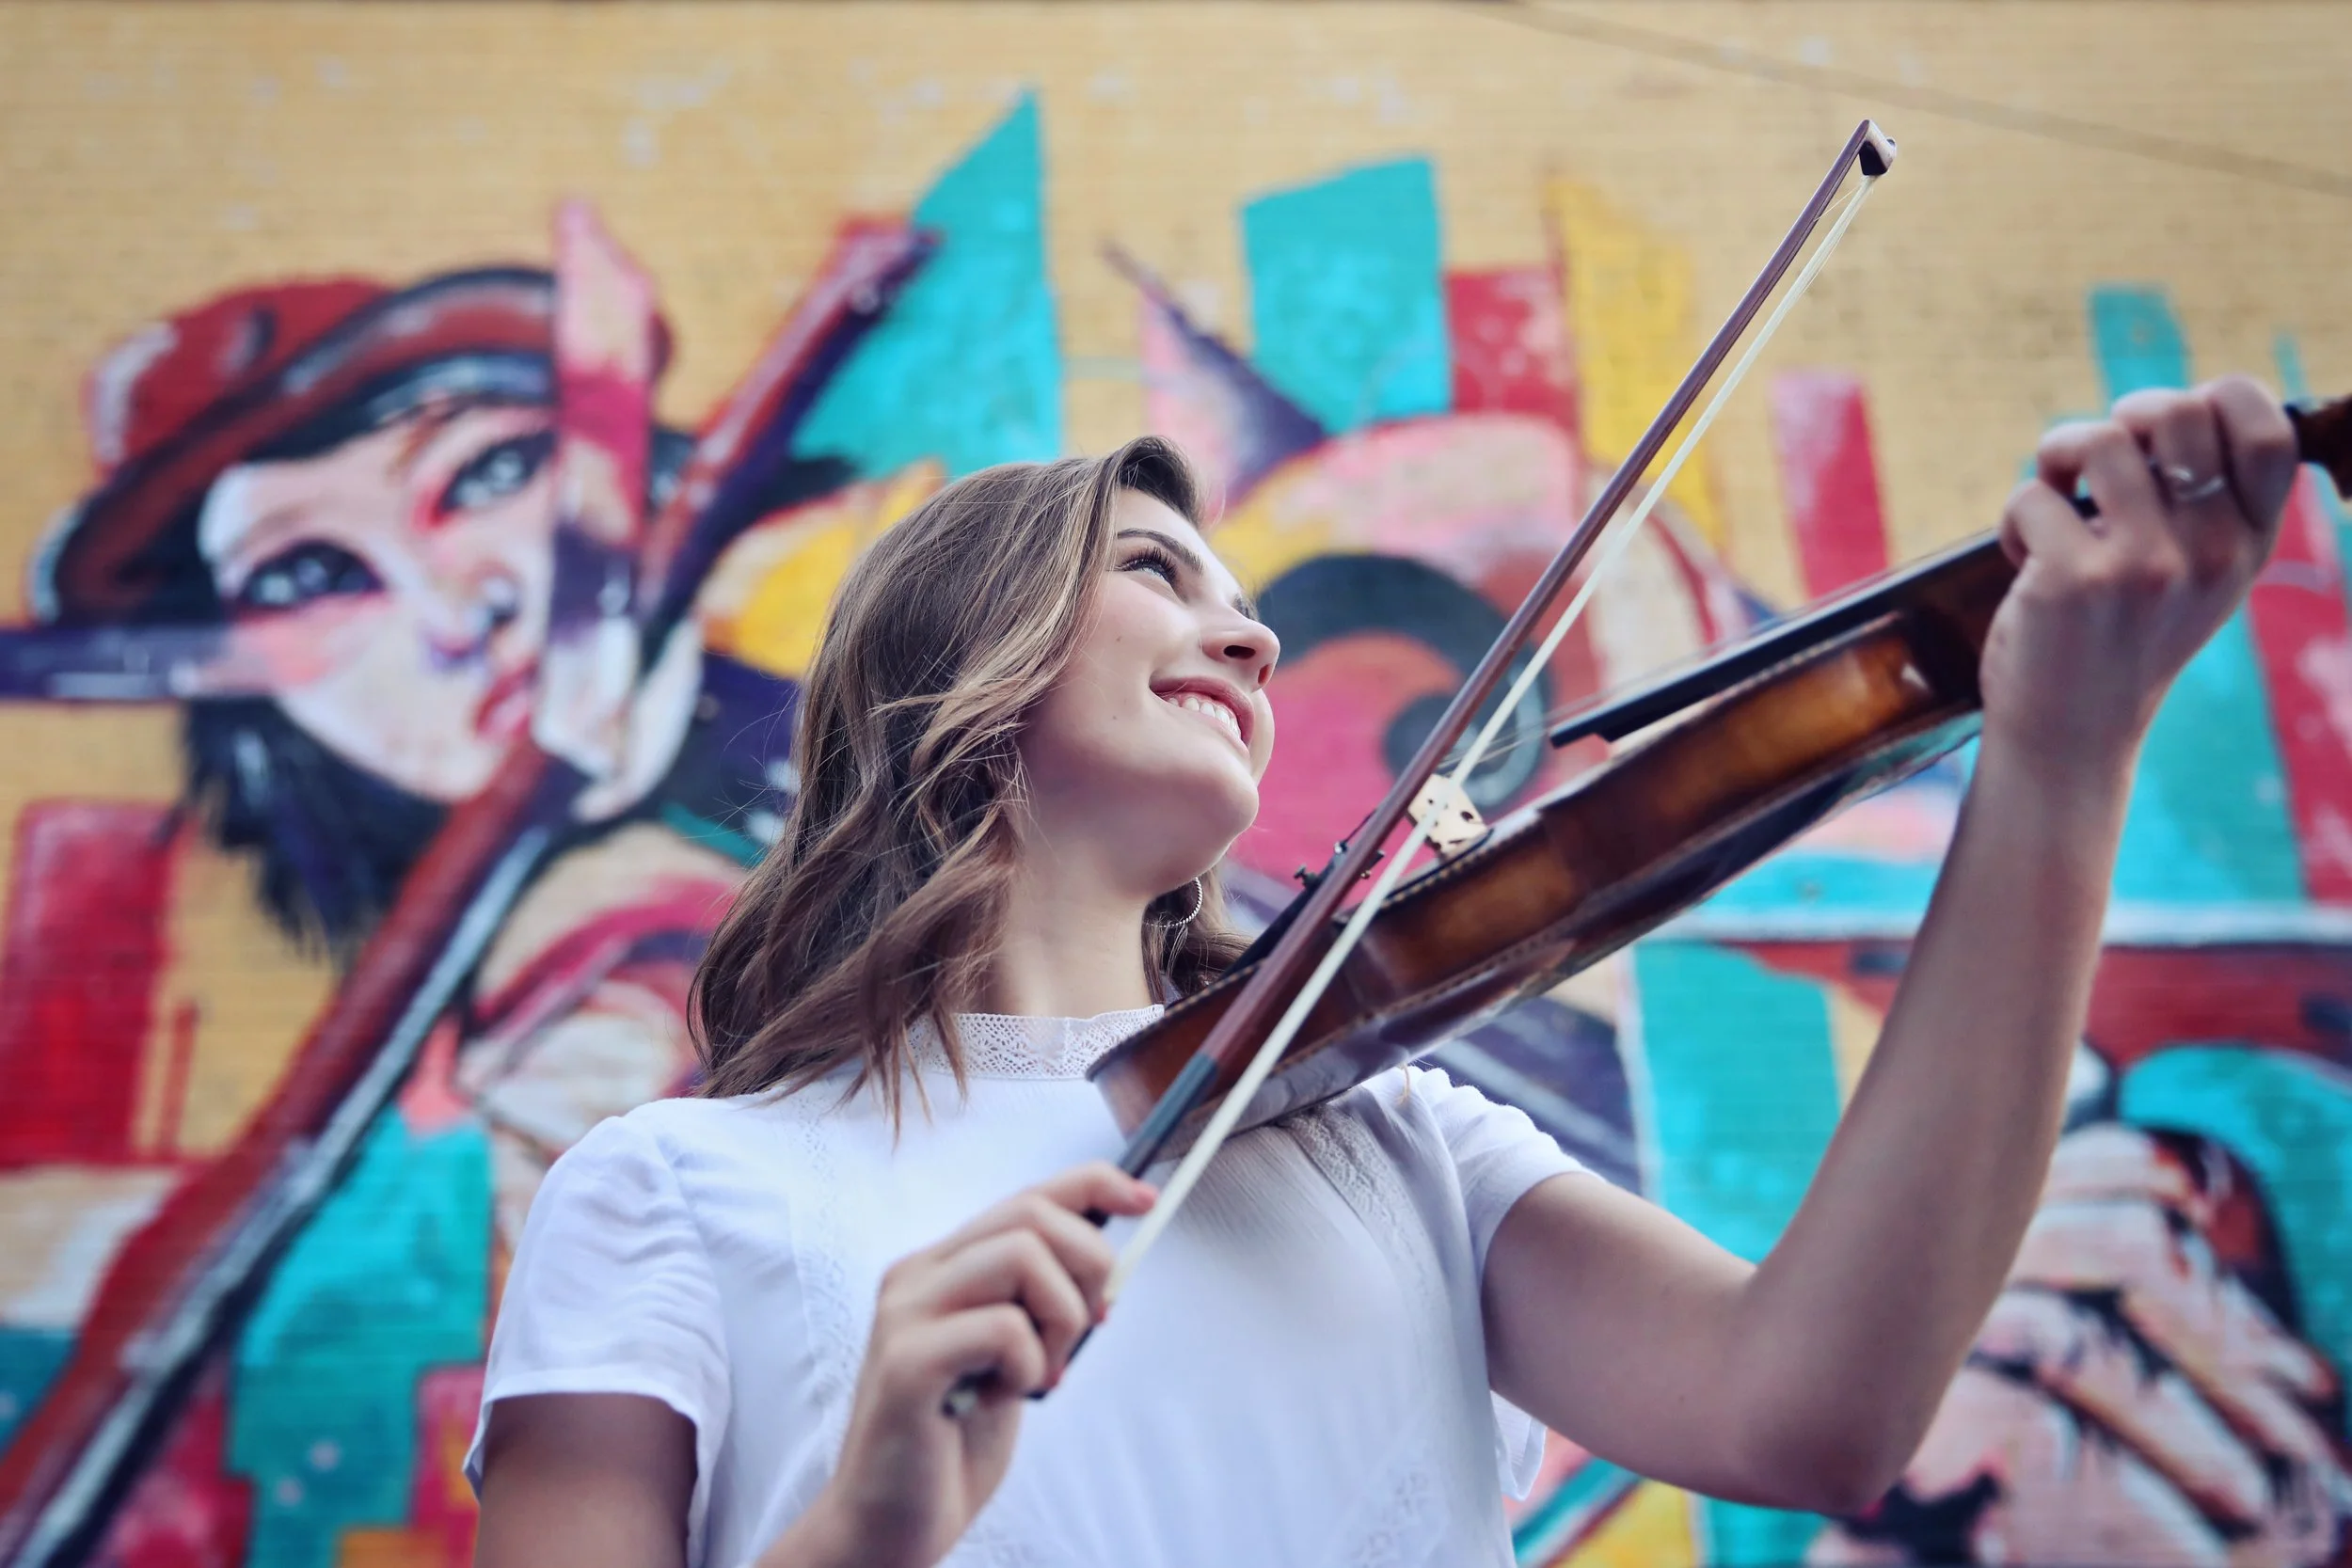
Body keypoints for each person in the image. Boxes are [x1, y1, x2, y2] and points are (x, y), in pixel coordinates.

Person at [466, 374, 2302, 1567]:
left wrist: (2062, 751)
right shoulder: (672, 1188)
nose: (1249, 633)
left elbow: (1811, 1405)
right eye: (1160, 574)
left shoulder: (1397, 1135)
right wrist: (860, 1527)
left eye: (1238, 598)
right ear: (969, 664)